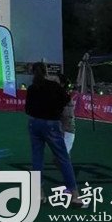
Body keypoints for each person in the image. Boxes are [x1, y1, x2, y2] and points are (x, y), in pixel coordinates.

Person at [25, 62, 84, 207]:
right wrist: (55, 110)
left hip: (34, 123)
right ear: (46, 72)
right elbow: (66, 100)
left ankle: (39, 194)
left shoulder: (32, 88)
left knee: (37, 158)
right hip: (51, 123)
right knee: (63, 158)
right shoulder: (54, 86)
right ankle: (75, 195)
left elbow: (27, 109)